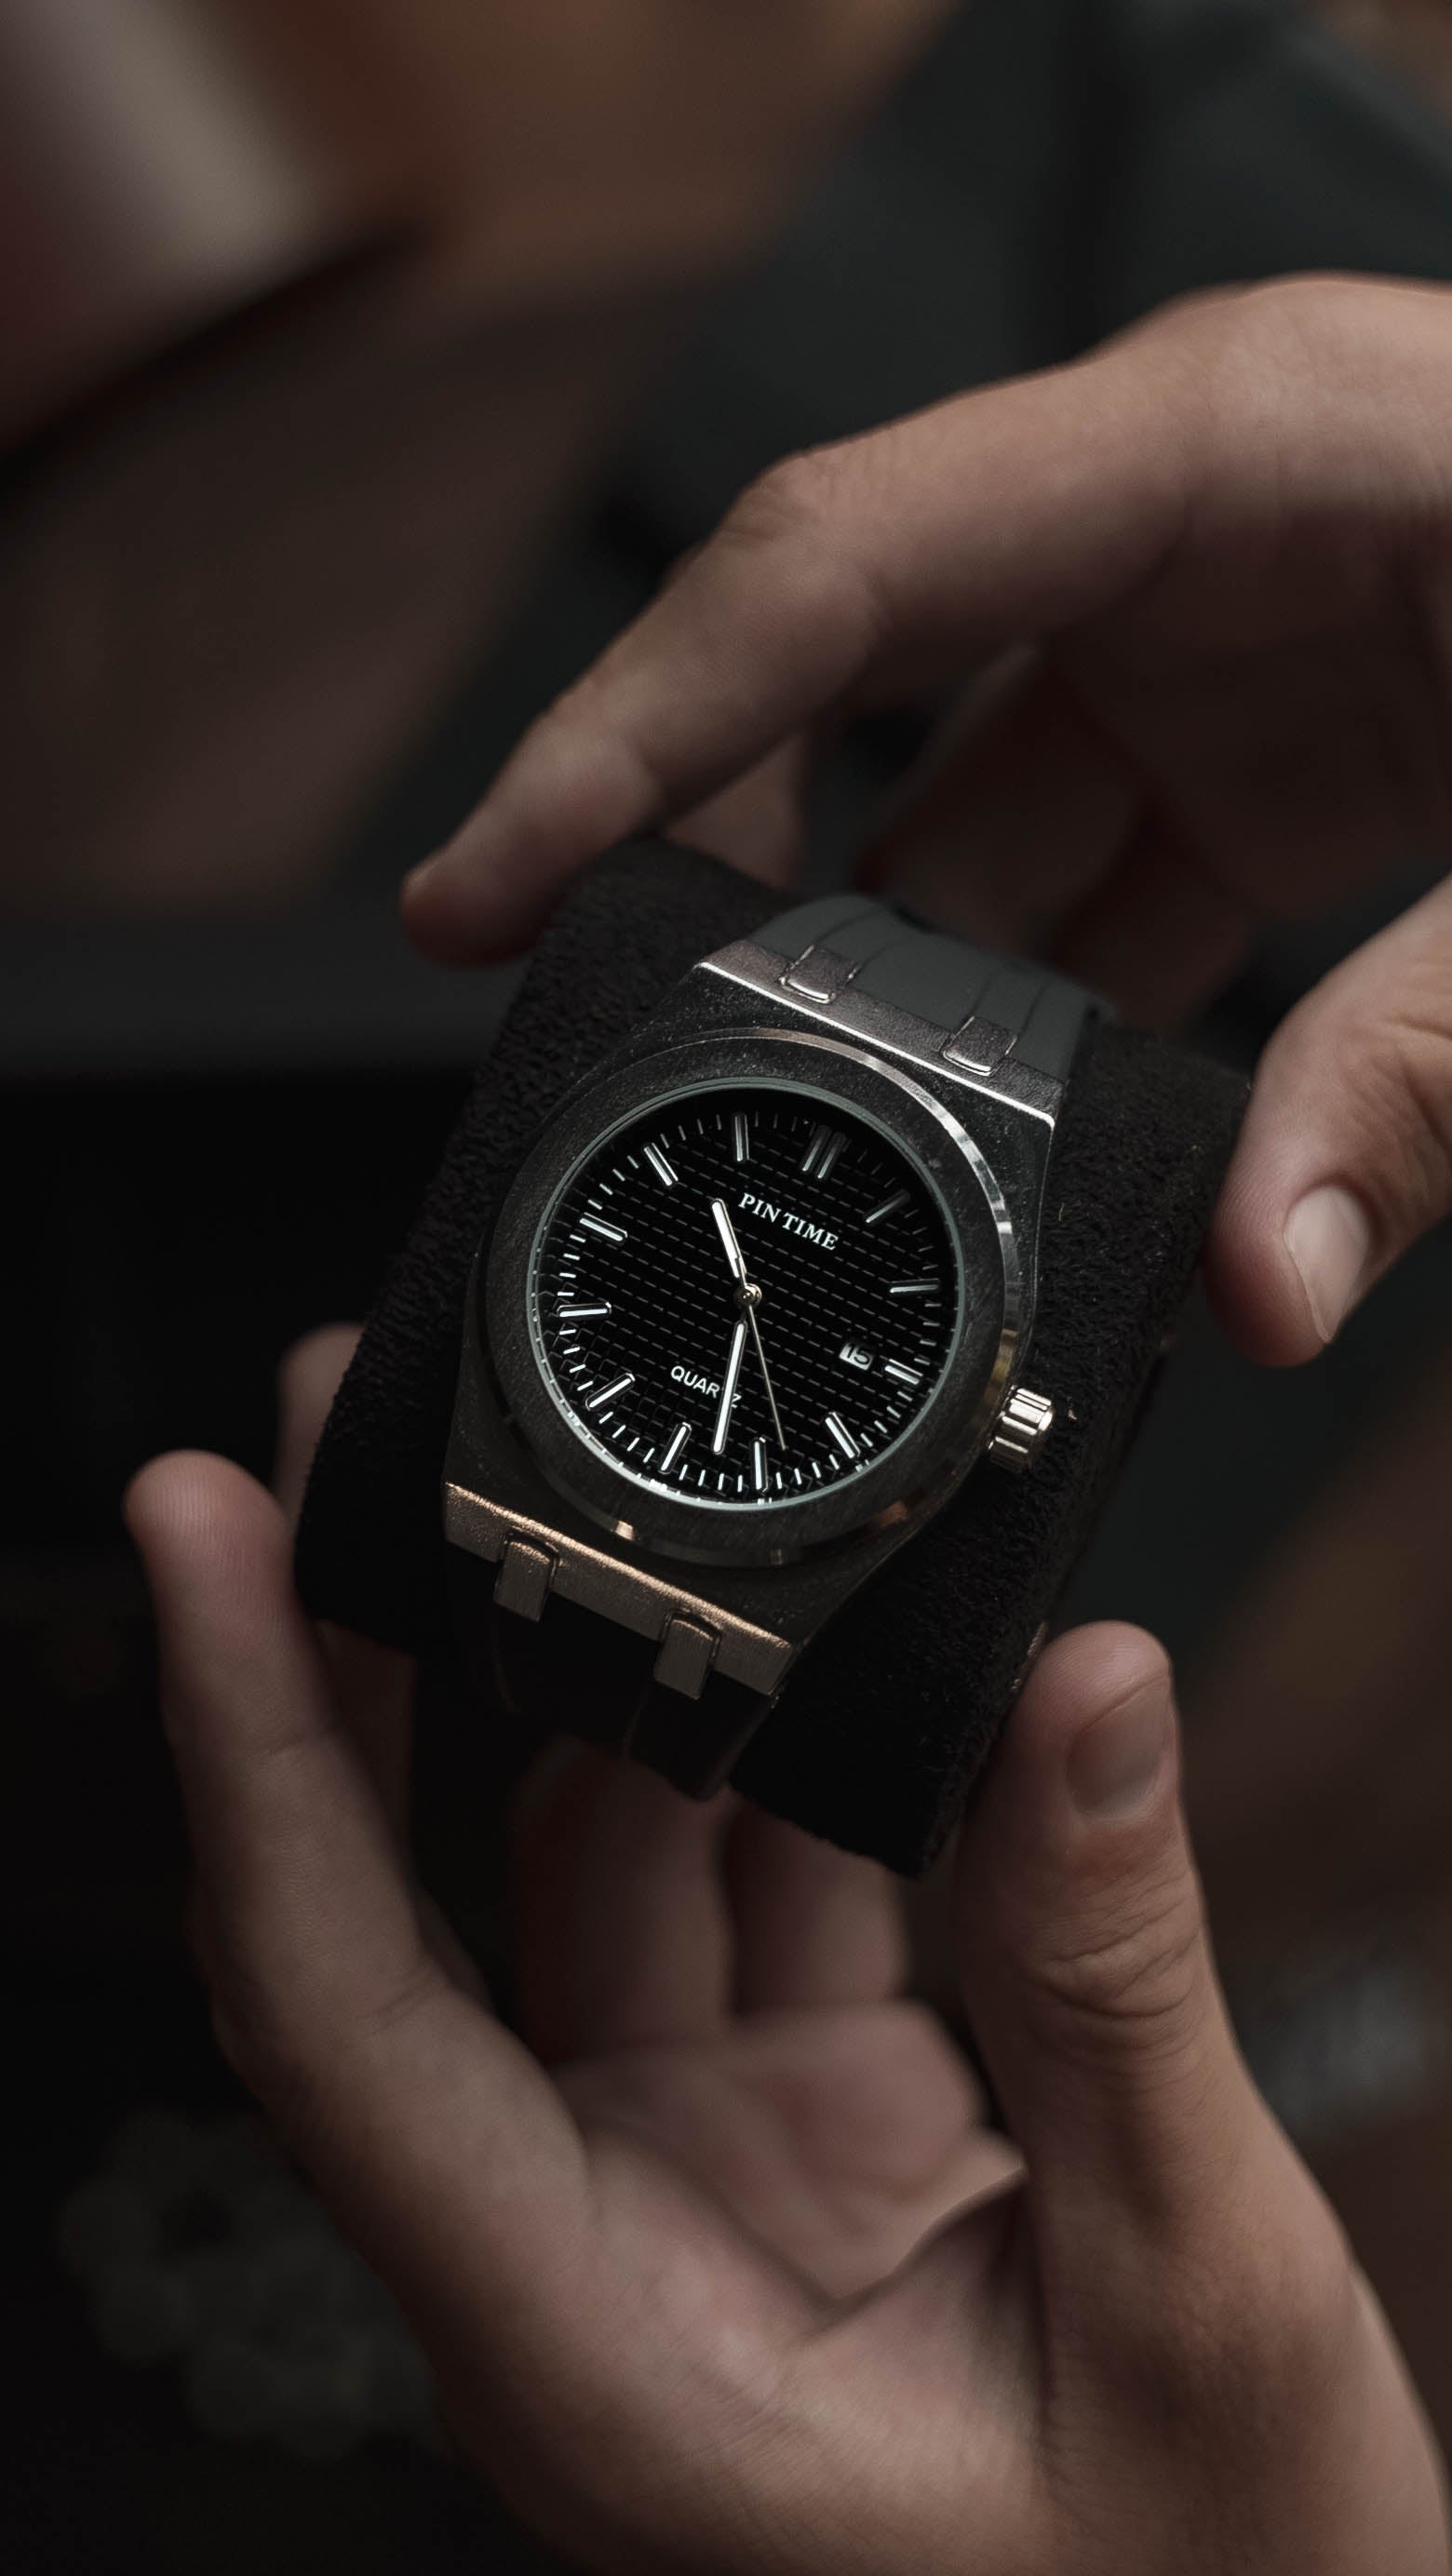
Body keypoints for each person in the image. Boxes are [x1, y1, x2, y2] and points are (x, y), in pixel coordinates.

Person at [129, 276, 1452, 2569]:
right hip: (592, 1419)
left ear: (997, 1409)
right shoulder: (729, 1093)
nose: (751, 1285)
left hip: (761, 1520)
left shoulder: (969, 1400)